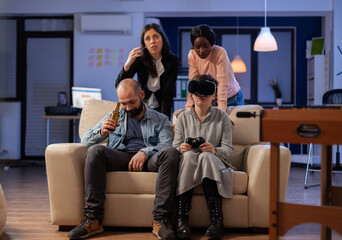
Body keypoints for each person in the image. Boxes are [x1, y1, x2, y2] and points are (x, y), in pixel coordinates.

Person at [68, 79, 180, 240]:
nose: (127, 108)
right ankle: (93, 219)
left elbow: (166, 144)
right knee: (95, 151)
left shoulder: (160, 119)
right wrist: (101, 132)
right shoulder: (115, 115)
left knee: (171, 153)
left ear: (141, 95)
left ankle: (160, 220)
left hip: (149, 160)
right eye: (123, 103)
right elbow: (84, 141)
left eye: (131, 102)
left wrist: (145, 151)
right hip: (120, 156)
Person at [173, 74, 235, 239]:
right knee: (188, 157)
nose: (201, 95)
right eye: (197, 91)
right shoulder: (182, 118)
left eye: (207, 91)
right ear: (191, 94)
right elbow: (174, 148)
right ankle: (181, 219)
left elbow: (228, 151)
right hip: (189, 162)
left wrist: (214, 150)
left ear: (214, 95)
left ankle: (216, 220)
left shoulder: (223, 118)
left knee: (206, 157)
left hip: (215, 162)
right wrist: (181, 149)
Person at [115, 23, 178, 119]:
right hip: (141, 106)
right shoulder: (139, 59)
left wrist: (165, 119)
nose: (152, 41)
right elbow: (119, 85)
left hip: (162, 105)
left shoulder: (172, 61)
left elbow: (167, 93)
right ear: (144, 43)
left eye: (156, 37)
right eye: (148, 38)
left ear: (162, 39)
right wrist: (127, 65)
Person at [185, 24, 244, 113]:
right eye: (197, 47)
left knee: (231, 125)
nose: (201, 50)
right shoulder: (192, 55)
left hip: (231, 97)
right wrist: (189, 108)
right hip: (211, 98)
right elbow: (193, 83)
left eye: (205, 46)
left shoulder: (220, 52)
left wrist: (222, 113)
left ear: (211, 44)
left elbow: (222, 84)